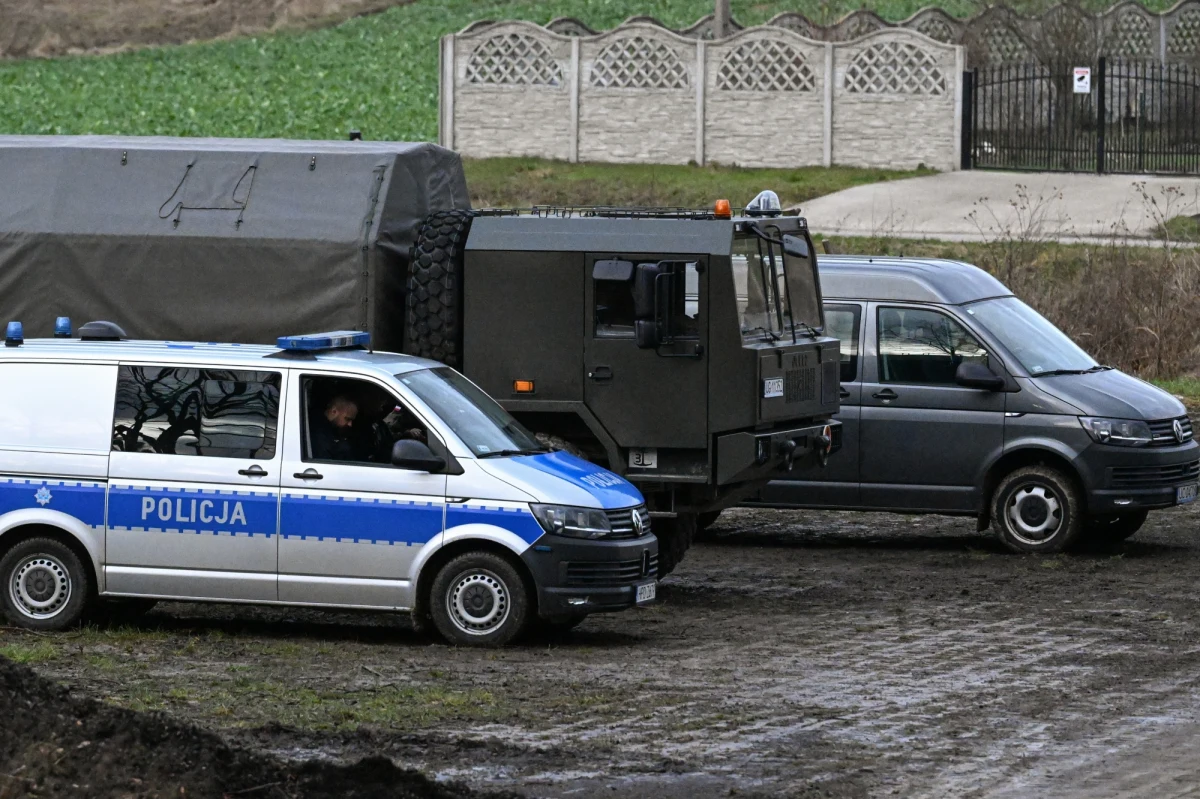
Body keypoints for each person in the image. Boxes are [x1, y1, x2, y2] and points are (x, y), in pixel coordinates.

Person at [310, 395, 358, 461]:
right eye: (347, 419)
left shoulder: (332, 429)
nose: (350, 424)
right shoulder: (318, 433)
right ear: (334, 411)